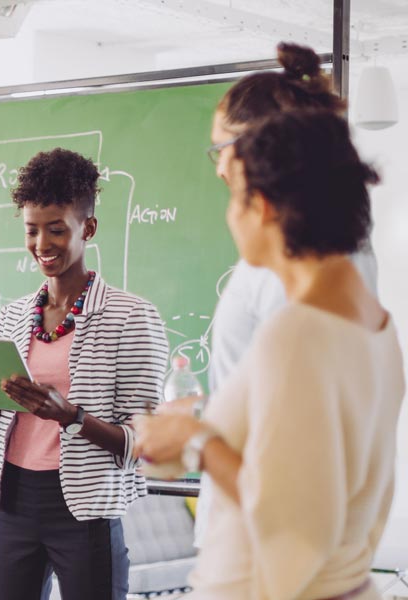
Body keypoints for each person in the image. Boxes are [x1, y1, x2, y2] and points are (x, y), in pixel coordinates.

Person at [135, 110, 402, 600]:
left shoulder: (297, 333)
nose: (228, 215)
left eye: (234, 198)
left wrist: (196, 443)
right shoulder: (375, 324)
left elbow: (294, 520)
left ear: (263, 206)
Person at [184, 41, 380, 548]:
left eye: (220, 149)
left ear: (258, 148)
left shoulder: (298, 269)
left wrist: (192, 443)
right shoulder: (328, 250)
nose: (219, 170)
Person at [0, 148, 168, 600]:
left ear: (87, 228)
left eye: (56, 229)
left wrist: (70, 416)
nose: (41, 244)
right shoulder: (13, 316)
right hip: (13, 502)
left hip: (84, 510)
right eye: (31, 230)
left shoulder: (131, 317)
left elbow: (145, 441)